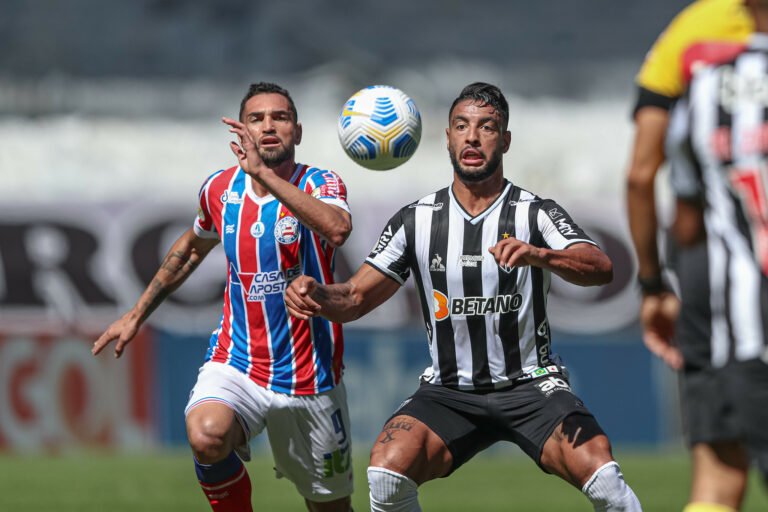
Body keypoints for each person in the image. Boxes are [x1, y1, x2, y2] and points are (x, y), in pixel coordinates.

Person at [285, 82, 642, 511]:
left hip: (530, 386)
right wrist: (316, 293)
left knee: (605, 481)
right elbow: (355, 298)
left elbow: (600, 267)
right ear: (448, 138)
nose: (472, 137)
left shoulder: (533, 212)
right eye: (461, 126)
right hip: (450, 393)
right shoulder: (416, 221)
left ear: (505, 140)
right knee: (385, 472)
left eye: (486, 127)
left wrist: (540, 255)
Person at [92, 82, 355, 512]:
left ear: (298, 131)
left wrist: (266, 175)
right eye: (256, 118)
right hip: (240, 362)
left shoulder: (321, 182)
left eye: (280, 117)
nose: (268, 126)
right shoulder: (219, 190)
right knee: (207, 433)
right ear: (242, 132)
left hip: (310, 377)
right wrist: (137, 313)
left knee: (330, 507)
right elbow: (191, 249)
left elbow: (337, 228)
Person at [625, 1, 765, 510]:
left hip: (716, 270)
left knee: (718, 476)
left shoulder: (696, 33)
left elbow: (642, 174)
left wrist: (653, 285)